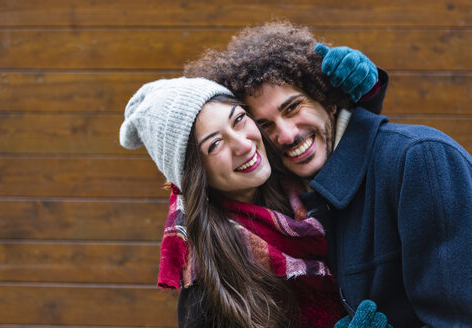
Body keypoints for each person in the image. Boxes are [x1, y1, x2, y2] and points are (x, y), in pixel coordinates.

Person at [184, 21, 472, 327]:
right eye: (265, 124)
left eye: (293, 108)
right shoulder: (292, 203)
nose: (286, 135)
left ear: (329, 102)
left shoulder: (420, 159)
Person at [119, 77, 393, 328]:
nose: (244, 144)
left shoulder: (303, 184)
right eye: (215, 145)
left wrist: (367, 90)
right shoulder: (210, 281)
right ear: (195, 174)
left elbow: (343, 145)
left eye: (238, 119)